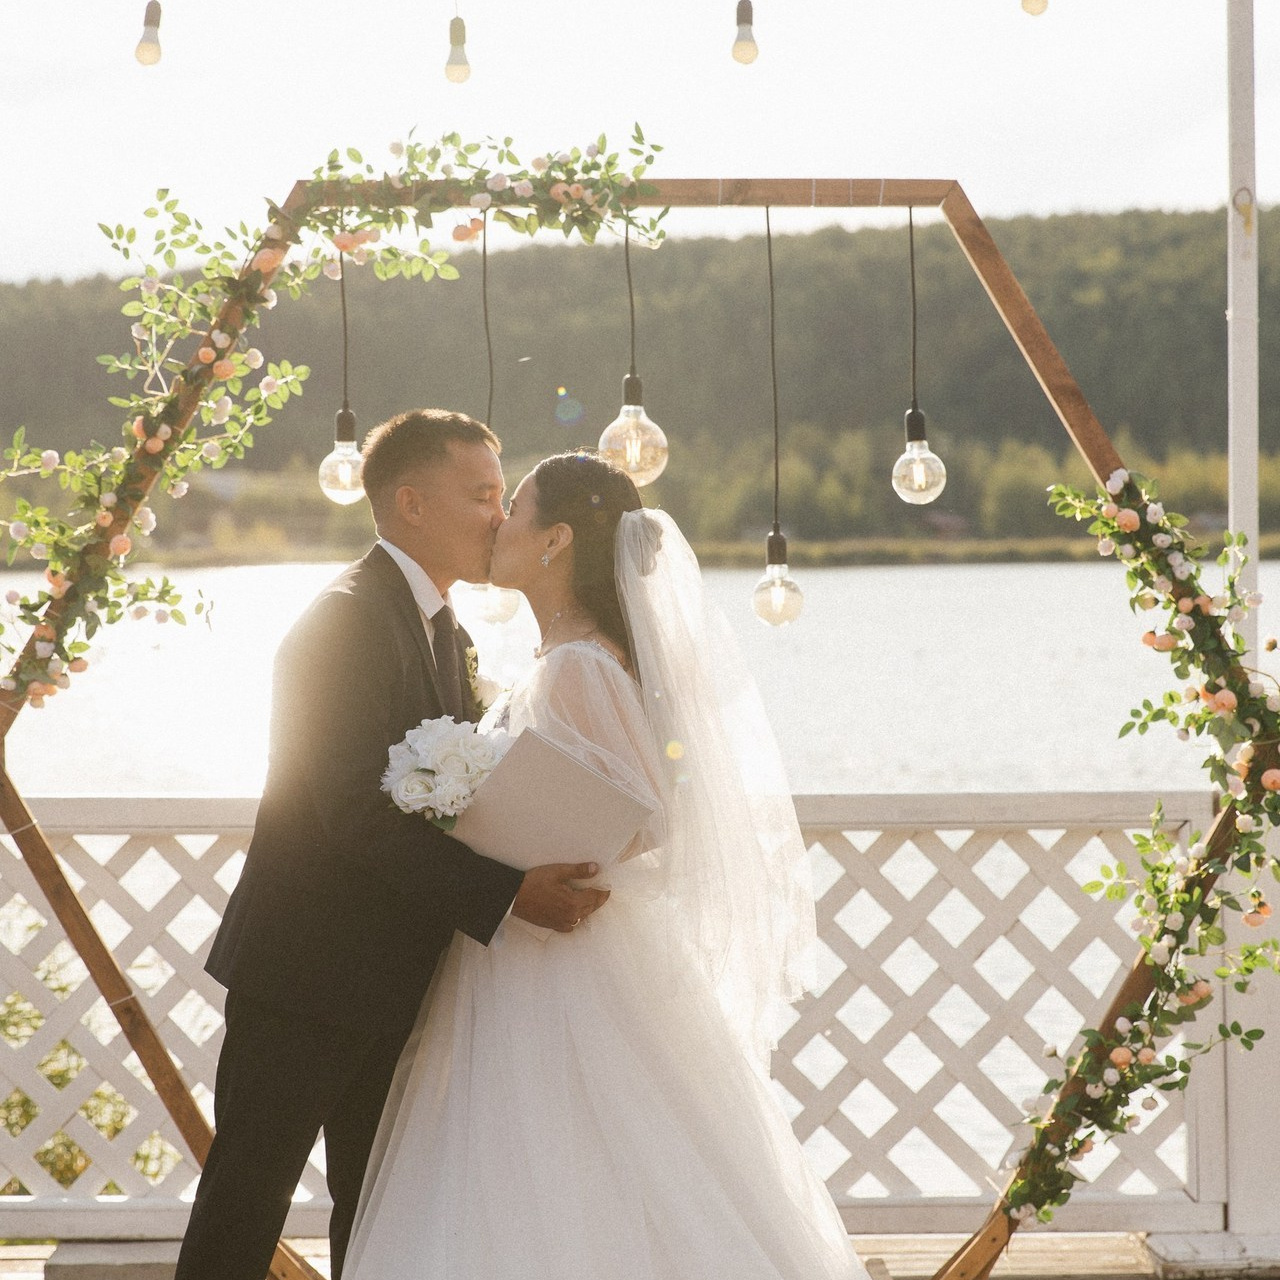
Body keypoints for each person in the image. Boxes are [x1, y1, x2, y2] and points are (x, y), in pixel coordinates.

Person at [343, 450, 870, 1280]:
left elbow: (652, 813)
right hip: (523, 941)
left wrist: (526, 844)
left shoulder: (580, 665)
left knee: (564, 1158)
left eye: (510, 505)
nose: (495, 521)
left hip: (561, 954)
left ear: (554, 540)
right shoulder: (564, 659)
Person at [175, 412, 610, 1280]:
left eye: (502, 495)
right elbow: (348, 810)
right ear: (410, 504)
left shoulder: (447, 630)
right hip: (303, 974)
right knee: (245, 1206)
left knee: (375, 1218)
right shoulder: (343, 621)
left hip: (393, 979)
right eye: (483, 494)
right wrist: (510, 894)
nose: (499, 515)